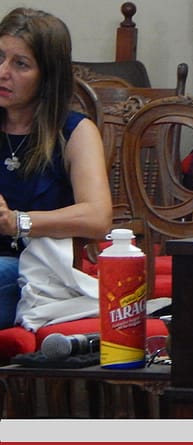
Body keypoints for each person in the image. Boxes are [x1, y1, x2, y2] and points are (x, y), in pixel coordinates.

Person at [0, 8, 112, 328]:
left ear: (48, 76)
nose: (3, 72)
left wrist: (16, 222)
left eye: (20, 64)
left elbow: (98, 217)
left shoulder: (74, 132)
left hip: (35, 271)